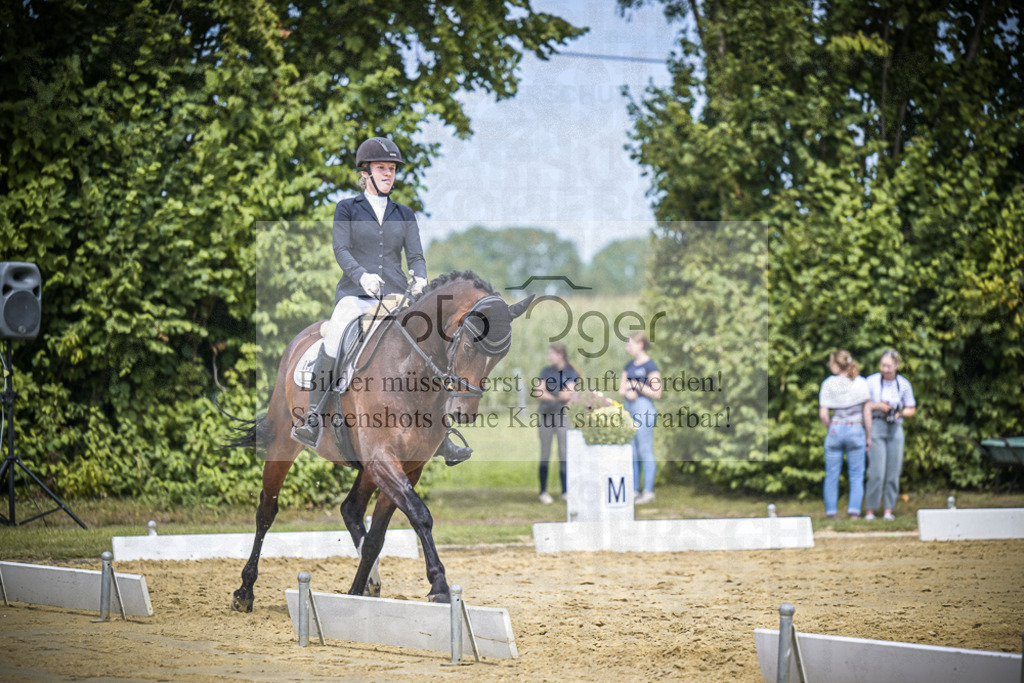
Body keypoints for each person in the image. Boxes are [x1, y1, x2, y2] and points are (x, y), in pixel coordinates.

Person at [291, 137, 469, 464]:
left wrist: (419, 278)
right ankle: (314, 416)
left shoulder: (405, 213)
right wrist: (362, 276)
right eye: (382, 168)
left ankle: (443, 433)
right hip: (356, 295)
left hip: (399, 297)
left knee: (433, 345)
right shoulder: (347, 208)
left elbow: (415, 255)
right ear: (366, 172)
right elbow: (341, 250)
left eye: (392, 169)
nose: (388, 174)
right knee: (335, 335)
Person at [818, 349, 872, 520]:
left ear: (836, 365)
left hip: (835, 428)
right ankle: (854, 513)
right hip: (856, 429)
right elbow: (867, 413)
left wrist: (830, 427)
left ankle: (831, 514)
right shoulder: (861, 383)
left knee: (831, 474)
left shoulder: (828, 383)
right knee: (856, 474)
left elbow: (823, 414)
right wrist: (868, 436)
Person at [864, 349, 917, 521]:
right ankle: (870, 510)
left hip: (895, 427)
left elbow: (911, 408)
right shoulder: (871, 382)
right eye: (883, 365)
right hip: (877, 425)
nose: (885, 369)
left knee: (893, 471)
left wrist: (899, 413)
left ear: (896, 365)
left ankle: (888, 510)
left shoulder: (903, 384)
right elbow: (863, 406)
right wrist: (878, 406)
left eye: (888, 366)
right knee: (876, 471)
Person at [619, 332, 662, 505]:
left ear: (640, 345)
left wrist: (636, 385)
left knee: (645, 449)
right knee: (632, 451)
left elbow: (656, 392)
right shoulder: (628, 365)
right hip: (629, 408)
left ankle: (648, 490)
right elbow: (622, 389)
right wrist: (627, 392)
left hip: (644, 408)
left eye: (630, 344)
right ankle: (634, 489)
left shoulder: (651, 366)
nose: (627, 348)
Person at [533, 343, 579, 504]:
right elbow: (539, 392)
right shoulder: (546, 371)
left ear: (560, 355)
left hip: (562, 417)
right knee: (544, 453)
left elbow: (568, 393)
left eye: (551, 354)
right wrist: (556, 397)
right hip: (546, 416)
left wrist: (550, 395)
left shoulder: (570, 372)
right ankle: (543, 491)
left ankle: (566, 490)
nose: (548, 357)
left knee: (564, 453)